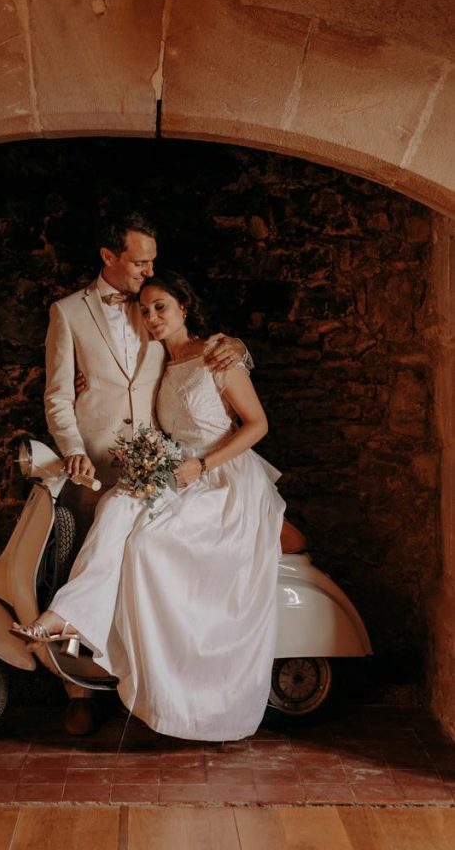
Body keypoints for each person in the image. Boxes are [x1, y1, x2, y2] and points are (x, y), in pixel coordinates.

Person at [15, 272, 286, 742]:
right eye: (145, 310)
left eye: (161, 307)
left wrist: (203, 465)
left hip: (223, 478)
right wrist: (86, 386)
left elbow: (257, 424)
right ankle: (68, 615)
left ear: (185, 307)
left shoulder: (219, 355)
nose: (151, 317)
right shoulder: (159, 357)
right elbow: (119, 382)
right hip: (177, 472)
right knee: (117, 505)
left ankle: (174, 677)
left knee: (143, 545)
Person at [43, 213, 250, 733]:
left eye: (152, 262)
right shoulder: (68, 312)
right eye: (139, 261)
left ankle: (138, 674)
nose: (148, 269)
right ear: (108, 256)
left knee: (137, 560)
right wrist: (73, 450)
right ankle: (78, 691)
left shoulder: (154, 308)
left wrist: (243, 349)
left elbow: (201, 354)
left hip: (161, 466)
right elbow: (58, 395)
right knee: (75, 555)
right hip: (96, 462)